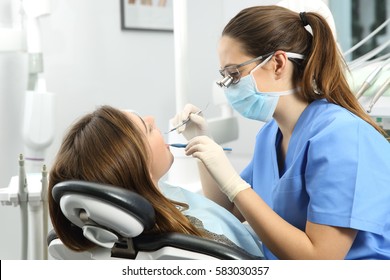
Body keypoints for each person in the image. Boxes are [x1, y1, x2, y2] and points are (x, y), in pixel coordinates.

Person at [171, 5, 390, 259]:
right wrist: (202, 143)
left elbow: (320, 261)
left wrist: (233, 182)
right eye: (224, 76)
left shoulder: (343, 137)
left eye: (234, 74)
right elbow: (229, 208)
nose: (227, 87)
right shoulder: (269, 136)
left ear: (277, 63)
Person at [48, 105, 263, 257]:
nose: (151, 118)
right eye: (147, 129)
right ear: (141, 170)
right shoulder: (202, 240)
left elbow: (217, 212)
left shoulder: (136, 216)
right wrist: (234, 185)